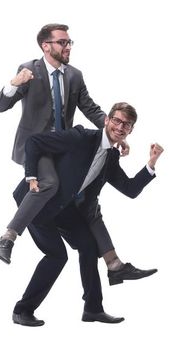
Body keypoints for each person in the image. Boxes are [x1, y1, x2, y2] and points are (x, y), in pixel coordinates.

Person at [0, 24, 155, 285]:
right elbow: (0, 106)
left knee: (88, 201)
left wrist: (114, 134)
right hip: (38, 145)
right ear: (46, 45)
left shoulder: (75, 76)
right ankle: (7, 237)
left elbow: (91, 108)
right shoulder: (29, 70)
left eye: (69, 42)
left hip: (64, 145)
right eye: (62, 42)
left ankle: (113, 264)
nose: (68, 47)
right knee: (50, 182)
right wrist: (14, 84)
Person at [11, 102, 161, 326]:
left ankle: (93, 309)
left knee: (90, 247)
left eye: (127, 125)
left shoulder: (110, 157)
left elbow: (129, 190)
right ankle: (22, 310)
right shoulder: (81, 137)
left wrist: (151, 162)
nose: (120, 127)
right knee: (57, 256)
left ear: (131, 131)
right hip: (38, 203)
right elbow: (34, 142)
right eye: (117, 121)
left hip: (63, 208)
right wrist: (31, 176)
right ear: (107, 121)